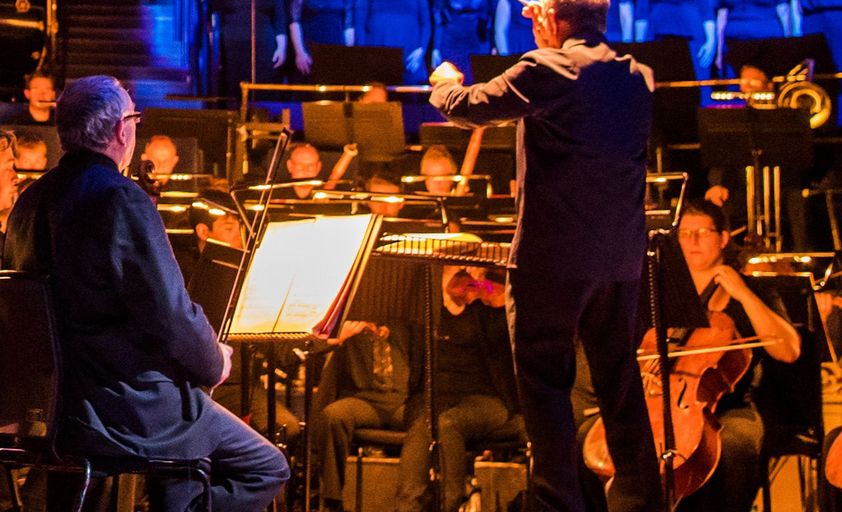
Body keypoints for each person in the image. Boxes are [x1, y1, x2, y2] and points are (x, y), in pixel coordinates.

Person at [429, 0, 663, 512]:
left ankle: (559, 505)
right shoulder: (637, 77)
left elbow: (468, 107)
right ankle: (641, 500)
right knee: (618, 381)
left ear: (553, 18)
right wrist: (551, 35)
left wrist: (443, 79)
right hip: (620, 260)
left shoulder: (549, 67)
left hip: (555, 259)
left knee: (545, 385)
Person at [2, 76, 290, 510]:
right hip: (123, 411)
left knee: (186, 418)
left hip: (51, 412)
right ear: (123, 129)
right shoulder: (120, 199)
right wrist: (214, 362)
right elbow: (171, 316)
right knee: (266, 466)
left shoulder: (29, 202)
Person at [671, 199, 802, 512]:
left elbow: (789, 350)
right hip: (667, 404)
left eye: (702, 232)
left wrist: (743, 294)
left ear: (724, 238)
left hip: (731, 408)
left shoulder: (752, 289)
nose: (692, 241)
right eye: (684, 234)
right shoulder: (663, 289)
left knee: (736, 443)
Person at [394, 268, 520, 512]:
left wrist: (485, 288)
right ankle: (408, 506)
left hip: (485, 398)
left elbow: (506, 299)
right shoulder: (425, 309)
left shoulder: (484, 308)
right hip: (432, 397)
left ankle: (450, 504)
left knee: (448, 423)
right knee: (425, 426)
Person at [313, 320, 413, 512]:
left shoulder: (408, 329)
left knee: (427, 420)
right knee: (334, 416)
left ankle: (413, 501)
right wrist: (343, 338)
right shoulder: (351, 329)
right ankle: (332, 500)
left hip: (402, 401)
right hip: (365, 401)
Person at [635, 0, 716, 102]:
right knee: (660, 87)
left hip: (693, 39)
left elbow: (707, 11)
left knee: (698, 86)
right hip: (658, 38)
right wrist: (640, 45)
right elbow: (642, 13)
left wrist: (711, 41)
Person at [211, 0, 288, 96]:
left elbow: (280, 20)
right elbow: (214, 18)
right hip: (232, 48)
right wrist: (215, 48)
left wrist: (281, 47)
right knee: (234, 90)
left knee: (263, 91)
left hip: (264, 46)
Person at [355, 0, 432, 83]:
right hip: (377, 53)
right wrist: (363, 54)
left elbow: (426, 23)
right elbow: (360, 24)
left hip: (409, 54)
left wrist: (422, 49)